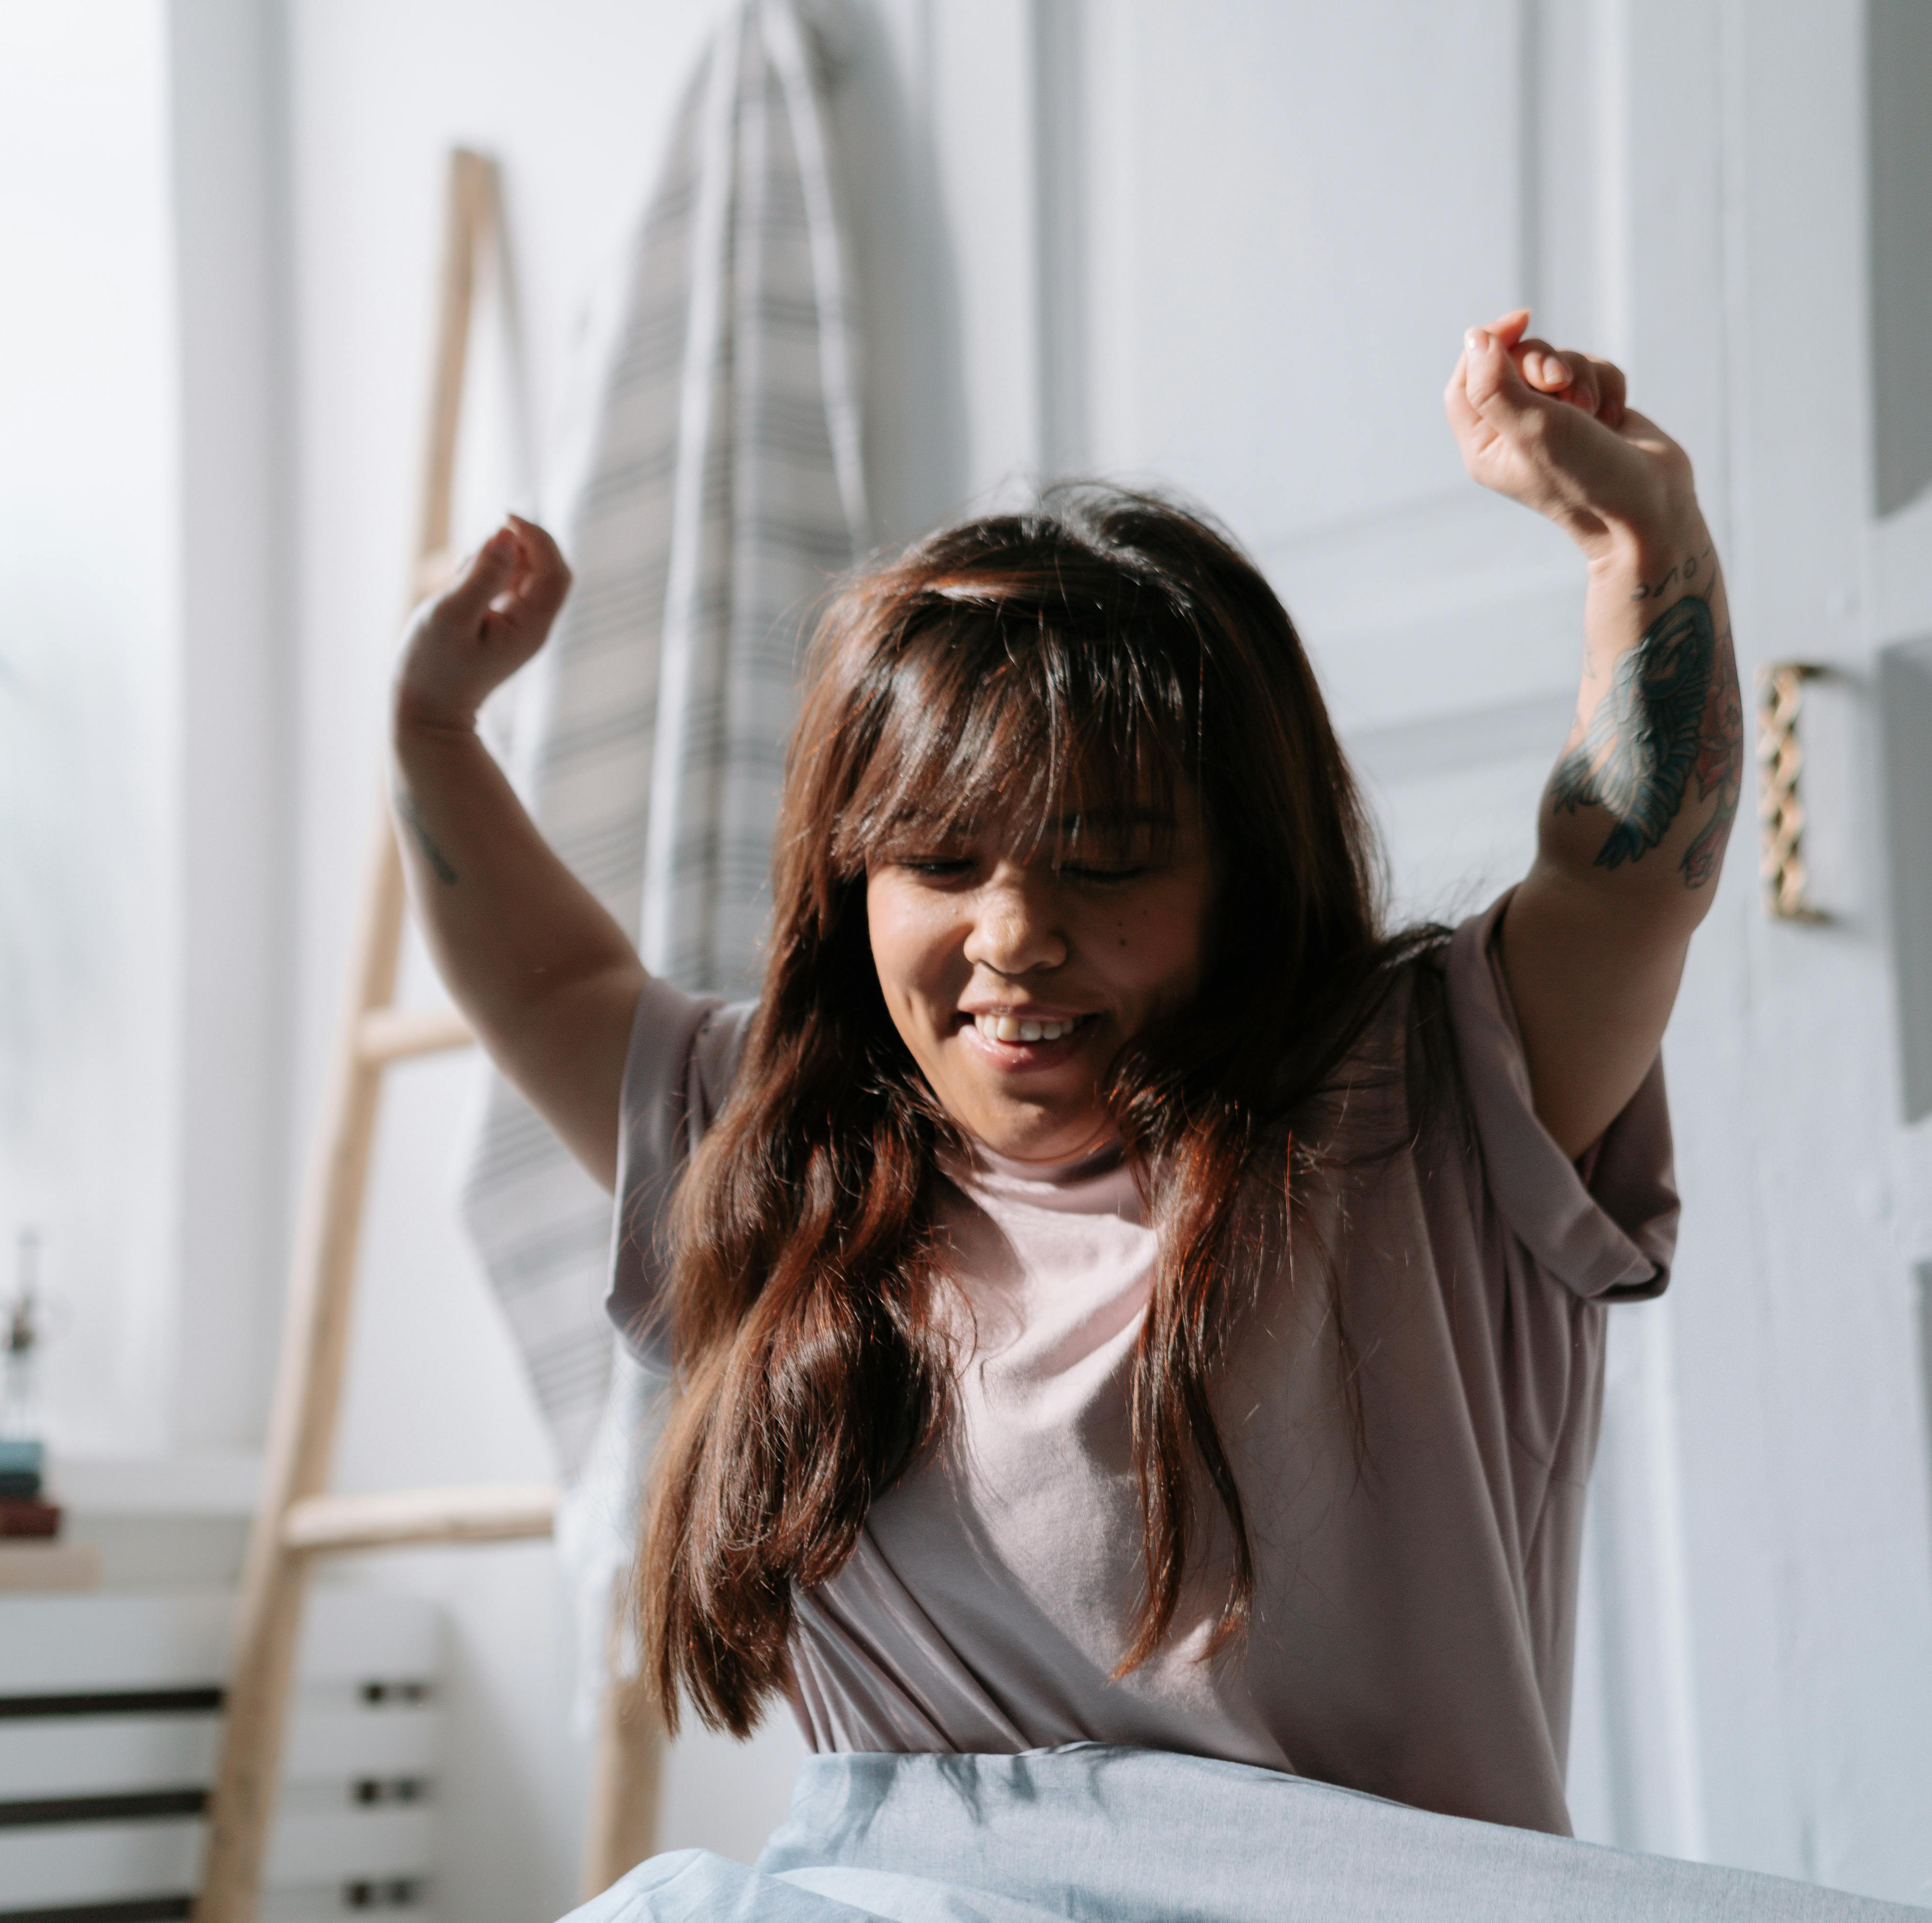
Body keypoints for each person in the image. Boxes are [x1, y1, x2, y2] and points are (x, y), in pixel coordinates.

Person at [389, 310, 1737, 1838]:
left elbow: (1629, 873)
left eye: (1108, 862)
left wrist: (1642, 541)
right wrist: (433, 729)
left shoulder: (1423, 1099)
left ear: (1244, 870)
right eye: (943, 862)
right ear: (854, 884)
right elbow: (555, 982)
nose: (1014, 937)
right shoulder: (789, 1145)